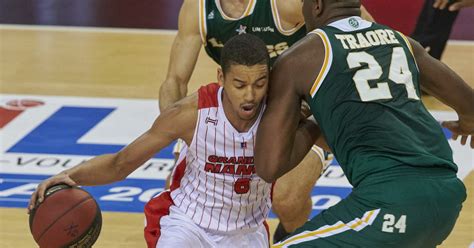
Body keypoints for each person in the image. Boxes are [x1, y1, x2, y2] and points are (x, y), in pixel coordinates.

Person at [26, 34, 316, 248]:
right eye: (239, 85)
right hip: (188, 225)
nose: (250, 95)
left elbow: (335, 137)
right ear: (221, 78)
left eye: (260, 83)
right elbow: (121, 164)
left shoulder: (281, 113)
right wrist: (69, 175)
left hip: (247, 232)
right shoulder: (189, 114)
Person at [255, 0, 473, 247]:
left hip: (392, 205)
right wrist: (467, 124)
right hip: (446, 199)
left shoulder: (302, 57)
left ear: (316, 6)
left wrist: (315, 119)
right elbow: (470, 109)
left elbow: (269, 166)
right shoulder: (400, 40)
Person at [159, 0, 373, 241]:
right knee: (177, 190)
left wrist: (375, 47)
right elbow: (174, 81)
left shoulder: (285, 6)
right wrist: (178, 133)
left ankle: (292, 236)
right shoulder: (197, 8)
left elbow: (354, 17)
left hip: (304, 109)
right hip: (243, 109)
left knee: (287, 199)